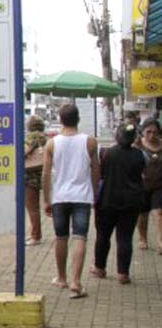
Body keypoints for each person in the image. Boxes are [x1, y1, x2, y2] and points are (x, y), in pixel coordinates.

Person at [43, 103, 98, 298]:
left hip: (60, 197)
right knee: (80, 236)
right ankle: (76, 281)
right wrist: (95, 195)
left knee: (61, 237)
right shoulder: (90, 142)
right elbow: (95, 170)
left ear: (60, 119)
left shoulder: (52, 143)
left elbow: (46, 174)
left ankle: (61, 277)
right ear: (78, 119)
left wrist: (46, 200)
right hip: (82, 196)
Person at [92, 123, 144, 285]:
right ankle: (123, 273)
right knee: (125, 237)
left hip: (107, 200)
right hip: (131, 202)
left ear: (116, 137)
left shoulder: (106, 153)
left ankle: (100, 268)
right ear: (134, 138)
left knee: (103, 235)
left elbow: (100, 173)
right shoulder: (140, 155)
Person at [136, 118, 162, 251]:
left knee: (159, 212)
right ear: (143, 132)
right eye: (148, 132)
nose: (152, 135)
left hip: (159, 185)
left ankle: (160, 241)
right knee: (143, 214)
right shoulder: (138, 145)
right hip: (142, 185)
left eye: (155, 132)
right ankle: (142, 237)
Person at [24, 116, 47, 245]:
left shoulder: (33, 137)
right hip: (39, 173)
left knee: (32, 207)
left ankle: (35, 236)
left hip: (30, 176)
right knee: (35, 207)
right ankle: (35, 233)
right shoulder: (43, 136)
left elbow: (24, 151)